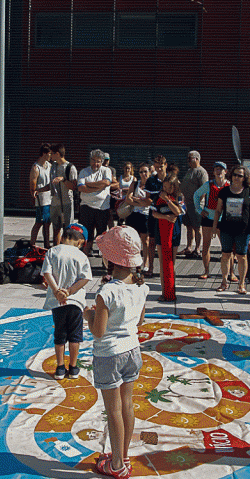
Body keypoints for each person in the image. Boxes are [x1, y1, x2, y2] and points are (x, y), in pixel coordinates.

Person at [83, 226, 148, 479]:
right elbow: (139, 322)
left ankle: (117, 465)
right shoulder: (142, 288)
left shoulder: (106, 292)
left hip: (109, 355)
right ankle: (123, 454)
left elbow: (98, 332)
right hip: (133, 350)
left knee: (113, 410)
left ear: (109, 259)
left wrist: (88, 315)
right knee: (127, 404)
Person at [41, 223, 92, 380]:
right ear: (80, 242)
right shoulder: (81, 255)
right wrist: (69, 292)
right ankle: (74, 367)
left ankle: (60, 367)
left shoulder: (52, 252)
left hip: (57, 301)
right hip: (75, 301)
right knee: (75, 335)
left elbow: (46, 273)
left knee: (60, 334)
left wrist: (57, 291)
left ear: (62, 238)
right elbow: (86, 278)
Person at [213, 165, 250, 294]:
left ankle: (241, 284)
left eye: (240, 175)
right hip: (226, 228)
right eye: (235, 174)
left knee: (242, 257)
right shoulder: (224, 191)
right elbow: (218, 210)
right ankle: (224, 282)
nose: (237, 177)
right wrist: (214, 226)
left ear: (244, 177)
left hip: (243, 229)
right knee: (225, 255)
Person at [151, 174, 184, 302]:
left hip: (174, 232)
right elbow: (154, 213)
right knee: (162, 262)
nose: (164, 189)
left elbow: (178, 211)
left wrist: (168, 200)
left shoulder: (179, 197)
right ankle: (164, 292)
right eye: (163, 187)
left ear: (174, 187)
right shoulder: (158, 196)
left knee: (171, 263)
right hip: (160, 231)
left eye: (168, 187)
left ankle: (171, 291)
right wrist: (165, 217)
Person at [193, 161, 228, 279]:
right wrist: (199, 209)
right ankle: (206, 271)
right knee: (206, 245)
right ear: (213, 172)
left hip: (223, 220)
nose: (218, 172)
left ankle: (231, 273)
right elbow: (196, 195)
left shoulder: (229, 186)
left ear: (225, 172)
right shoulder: (208, 185)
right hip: (208, 218)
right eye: (216, 169)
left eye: (221, 169)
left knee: (227, 248)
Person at [78, 149, 113, 256]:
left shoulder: (106, 171)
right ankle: (84, 255)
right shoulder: (84, 171)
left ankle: (105, 258)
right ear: (90, 160)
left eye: (98, 161)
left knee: (102, 234)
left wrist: (89, 184)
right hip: (86, 207)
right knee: (86, 233)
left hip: (102, 208)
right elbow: (81, 188)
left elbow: (106, 182)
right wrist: (98, 187)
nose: (95, 163)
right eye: (93, 160)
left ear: (102, 161)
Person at [124, 162, 153, 274]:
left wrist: (136, 200)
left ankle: (145, 263)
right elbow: (128, 199)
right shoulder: (135, 184)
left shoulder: (151, 185)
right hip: (134, 214)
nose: (143, 174)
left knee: (145, 241)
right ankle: (133, 263)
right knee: (132, 240)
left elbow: (148, 202)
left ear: (149, 172)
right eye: (141, 172)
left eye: (145, 171)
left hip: (146, 215)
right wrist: (140, 201)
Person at [180, 151, 208, 257]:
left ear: (196, 159)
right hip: (187, 203)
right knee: (188, 226)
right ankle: (188, 247)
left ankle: (197, 248)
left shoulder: (201, 172)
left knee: (197, 227)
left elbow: (204, 189)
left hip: (196, 204)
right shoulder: (189, 171)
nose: (188, 161)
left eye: (190, 158)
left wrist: (197, 203)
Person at [49, 143, 78, 247]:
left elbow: (74, 187)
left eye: (52, 154)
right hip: (55, 201)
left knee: (67, 229)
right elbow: (51, 184)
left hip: (66, 202)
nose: (50, 156)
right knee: (56, 228)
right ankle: (56, 248)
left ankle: (67, 248)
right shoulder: (53, 166)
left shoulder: (70, 167)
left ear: (57, 154)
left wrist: (63, 179)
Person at [144, 155, 168, 277]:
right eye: (157, 167)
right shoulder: (150, 180)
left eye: (161, 167)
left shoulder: (171, 180)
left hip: (167, 215)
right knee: (152, 241)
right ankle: (151, 267)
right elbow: (147, 198)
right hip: (153, 214)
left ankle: (166, 269)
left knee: (165, 243)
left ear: (166, 166)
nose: (159, 169)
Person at [30, 143, 53, 248]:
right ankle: (32, 243)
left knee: (48, 223)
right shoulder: (36, 167)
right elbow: (33, 185)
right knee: (39, 222)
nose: (50, 156)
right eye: (49, 154)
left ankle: (47, 244)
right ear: (44, 154)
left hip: (50, 198)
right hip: (41, 199)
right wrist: (34, 193)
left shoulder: (50, 166)